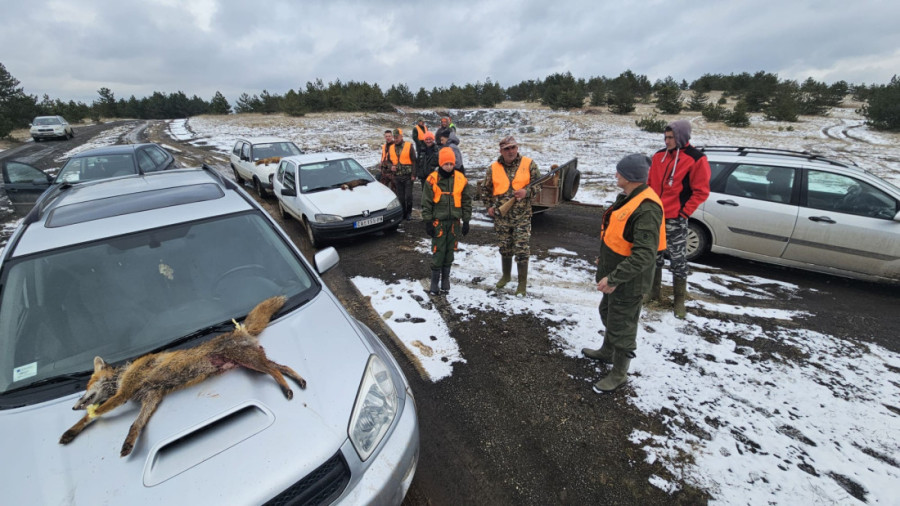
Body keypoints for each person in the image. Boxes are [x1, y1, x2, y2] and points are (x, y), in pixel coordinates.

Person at [582, 154, 665, 393]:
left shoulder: (647, 208)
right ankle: (607, 351)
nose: (616, 175)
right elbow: (619, 237)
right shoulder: (630, 198)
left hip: (629, 281)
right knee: (608, 312)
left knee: (623, 324)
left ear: (629, 176)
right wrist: (605, 261)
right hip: (616, 273)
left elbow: (644, 254)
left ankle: (619, 373)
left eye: (619, 172)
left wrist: (615, 277)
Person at [646, 120, 710, 318]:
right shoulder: (658, 157)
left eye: (671, 137)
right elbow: (649, 184)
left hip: (676, 218)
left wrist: (684, 212)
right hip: (656, 215)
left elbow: (701, 191)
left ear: (682, 137)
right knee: (654, 256)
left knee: (678, 260)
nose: (667, 141)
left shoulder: (696, 159)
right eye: (665, 137)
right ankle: (653, 293)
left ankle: (679, 301)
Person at [481, 136, 541, 296]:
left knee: (522, 250)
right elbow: (485, 190)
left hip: (522, 216)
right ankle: (506, 276)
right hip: (502, 217)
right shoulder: (493, 168)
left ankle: (522, 285)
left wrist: (526, 192)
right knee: (505, 248)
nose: (511, 151)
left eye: (513, 147)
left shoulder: (529, 164)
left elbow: (539, 185)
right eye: (507, 148)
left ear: (517, 147)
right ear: (501, 151)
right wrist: (488, 207)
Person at [422, 147, 472, 295]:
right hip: (439, 223)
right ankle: (434, 282)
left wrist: (467, 221)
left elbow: (466, 201)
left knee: (450, 252)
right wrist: (428, 222)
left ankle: (445, 280)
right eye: (446, 164)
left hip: (454, 224)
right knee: (438, 252)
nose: (449, 166)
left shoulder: (461, 179)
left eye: (451, 163)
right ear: (440, 164)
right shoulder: (432, 180)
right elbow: (426, 203)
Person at [388, 128, 417, 220]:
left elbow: (414, 161)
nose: (396, 139)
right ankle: (403, 213)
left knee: (408, 196)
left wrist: (413, 174)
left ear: (401, 136)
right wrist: (390, 166)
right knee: (400, 197)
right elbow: (388, 161)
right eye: (395, 137)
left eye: (397, 137)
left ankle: (408, 213)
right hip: (397, 176)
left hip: (408, 176)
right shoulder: (391, 148)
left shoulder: (409, 146)